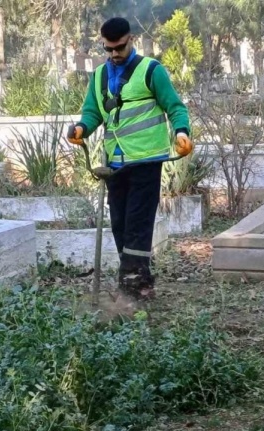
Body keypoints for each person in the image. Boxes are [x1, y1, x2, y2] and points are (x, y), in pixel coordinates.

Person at [67, 17, 192, 301]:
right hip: (115, 164)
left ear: (130, 39)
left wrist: (182, 132)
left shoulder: (151, 71)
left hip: (147, 162)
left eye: (119, 47)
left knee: (137, 223)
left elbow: (175, 107)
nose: (114, 54)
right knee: (120, 224)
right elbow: (93, 112)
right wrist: (81, 128)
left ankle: (133, 289)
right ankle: (138, 280)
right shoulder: (98, 76)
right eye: (108, 48)